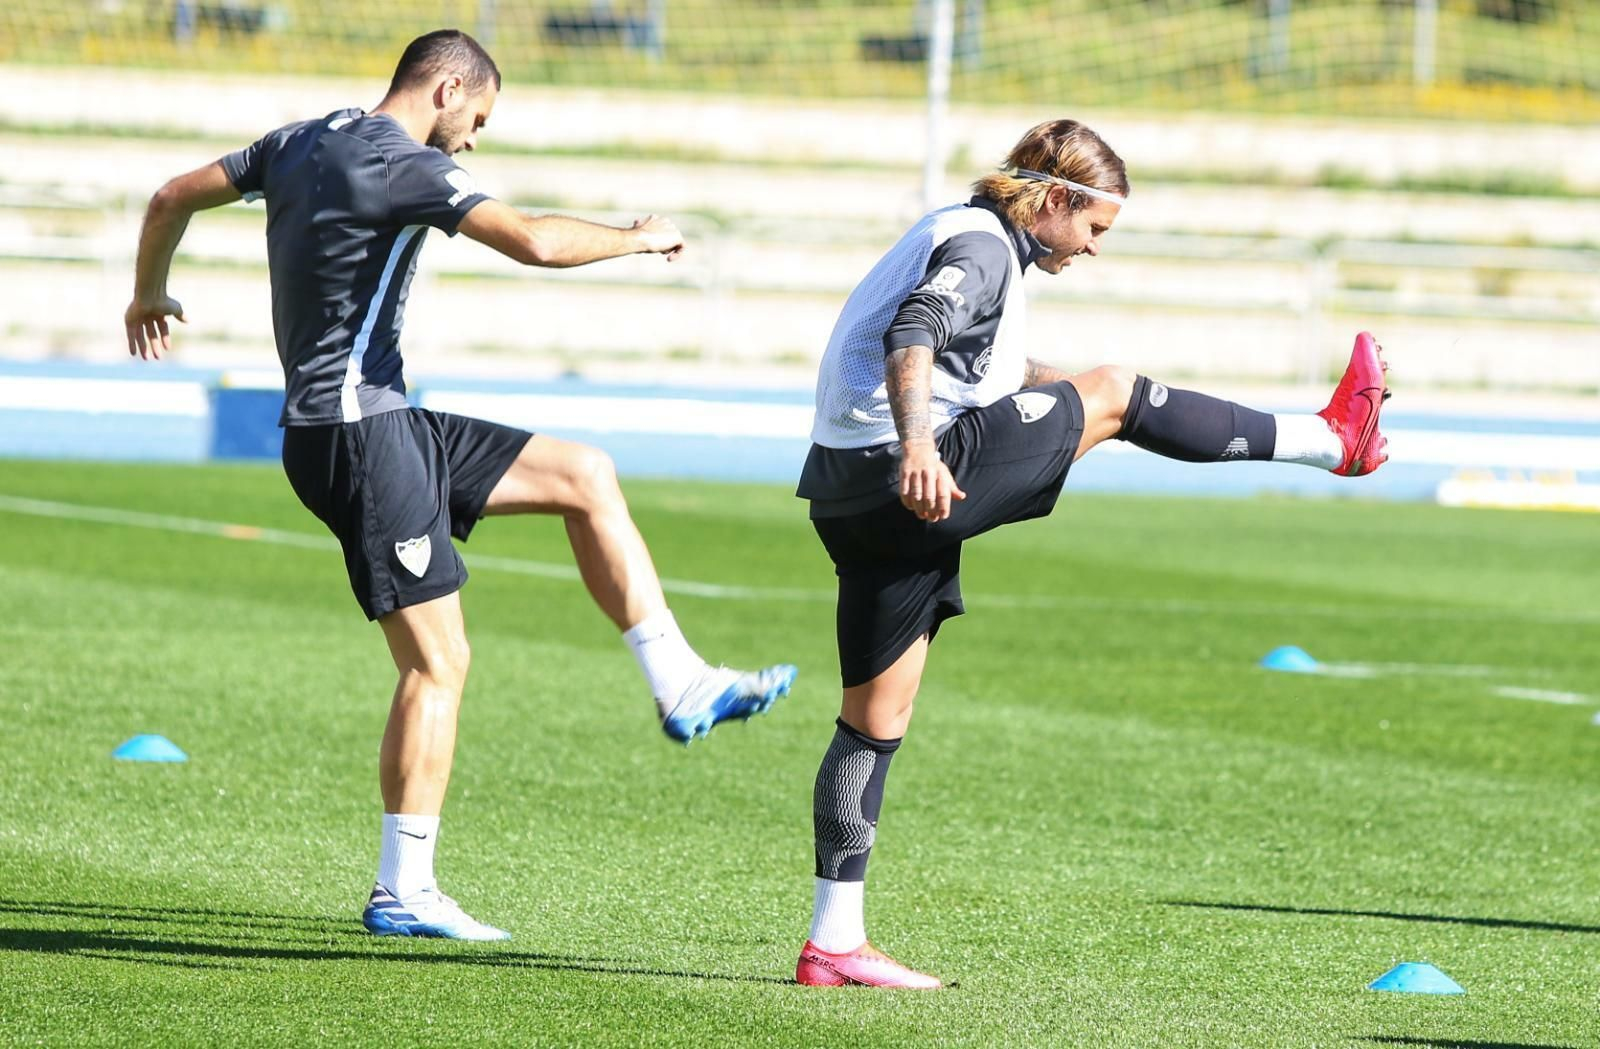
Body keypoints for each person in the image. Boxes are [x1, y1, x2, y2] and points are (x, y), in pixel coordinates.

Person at [122, 28, 796, 942]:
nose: (473, 138)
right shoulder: (403, 164)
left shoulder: (295, 139)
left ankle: (678, 680)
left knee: (584, 474)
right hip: (360, 435)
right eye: (477, 117)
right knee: (438, 662)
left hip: (377, 423)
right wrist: (638, 238)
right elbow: (529, 241)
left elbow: (170, 196)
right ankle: (404, 886)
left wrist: (147, 292)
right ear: (445, 89)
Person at [792, 119, 1388, 988]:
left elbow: (967, 357)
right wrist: (922, 444)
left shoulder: (954, 228)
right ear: (1057, 199)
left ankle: (832, 943)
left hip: (845, 494)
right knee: (1117, 391)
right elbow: (916, 333)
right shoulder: (986, 247)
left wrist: (1032, 385)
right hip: (908, 469)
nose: (1094, 250)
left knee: (872, 722)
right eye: (1096, 229)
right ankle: (1335, 440)